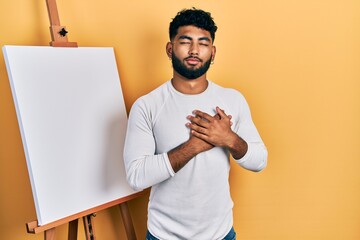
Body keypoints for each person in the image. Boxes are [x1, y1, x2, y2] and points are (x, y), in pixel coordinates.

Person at [124, 8, 267, 240]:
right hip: (164, 235)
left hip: (220, 234)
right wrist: (194, 146)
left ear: (213, 52)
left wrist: (228, 138)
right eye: (185, 41)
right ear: (170, 49)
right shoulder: (147, 106)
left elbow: (259, 160)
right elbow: (136, 177)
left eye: (203, 43)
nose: (194, 50)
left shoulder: (232, 99)